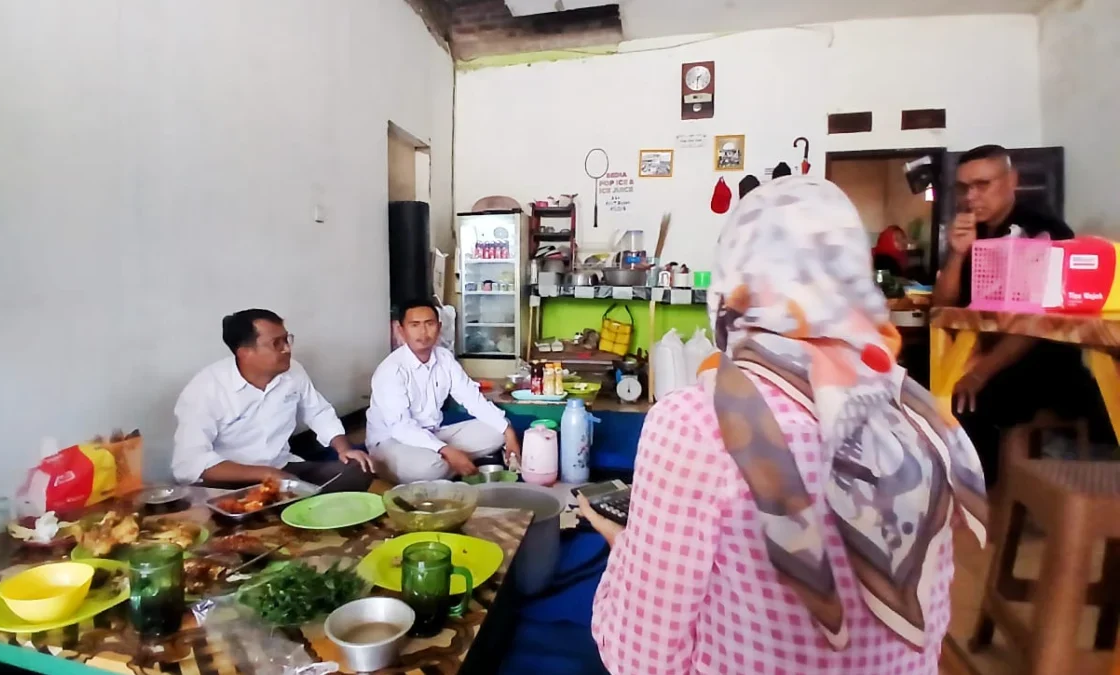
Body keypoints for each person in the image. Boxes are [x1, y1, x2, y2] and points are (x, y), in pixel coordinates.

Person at [578, 175, 988, 674]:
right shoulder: (927, 421)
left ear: (734, 282)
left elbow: (638, 657)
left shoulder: (700, 423)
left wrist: (630, 556)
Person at [931, 144, 1096, 484]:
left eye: (983, 184)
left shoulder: (1045, 231)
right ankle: (937, 486)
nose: (971, 197)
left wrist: (981, 372)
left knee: (973, 399)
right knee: (916, 381)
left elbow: (1035, 322)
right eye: (964, 188)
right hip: (983, 351)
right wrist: (958, 254)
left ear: (1012, 181)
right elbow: (942, 307)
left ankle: (984, 499)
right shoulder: (971, 233)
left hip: (1041, 357)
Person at [172, 309, 374, 491]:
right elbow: (189, 463)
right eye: (276, 343)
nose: (287, 348)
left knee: (358, 469)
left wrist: (344, 449)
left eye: (287, 339)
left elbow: (318, 412)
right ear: (245, 353)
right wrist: (265, 475)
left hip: (282, 467)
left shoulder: (293, 371)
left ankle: (293, 504)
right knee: (240, 503)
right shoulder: (206, 389)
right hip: (231, 479)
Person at [366, 299, 521, 484]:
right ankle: (445, 465)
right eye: (415, 325)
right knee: (429, 468)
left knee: (498, 430)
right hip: (392, 442)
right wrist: (446, 450)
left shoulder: (445, 359)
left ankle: (447, 464)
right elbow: (401, 427)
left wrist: (508, 432)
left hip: (434, 433)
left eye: (429, 324)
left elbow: (473, 399)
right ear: (401, 330)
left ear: (439, 327)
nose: (423, 332)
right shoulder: (391, 370)